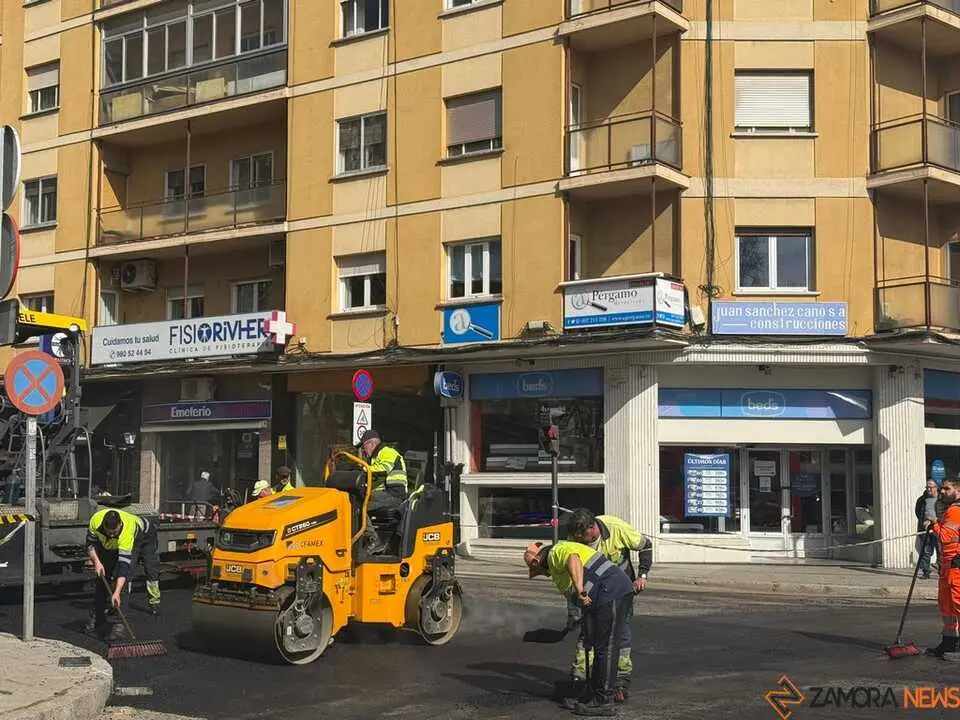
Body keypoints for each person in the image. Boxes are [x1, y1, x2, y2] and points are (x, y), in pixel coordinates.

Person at [525, 540, 635, 717]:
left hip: (611, 591)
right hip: (606, 594)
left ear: (537, 562)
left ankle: (604, 700)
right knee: (598, 645)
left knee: (605, 647)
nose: (542, 575)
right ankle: (594, 692)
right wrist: (582, 617)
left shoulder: (556, 552)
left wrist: (581, 591)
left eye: (538, 572)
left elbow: (573, 559)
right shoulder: (556, 565)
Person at [566, 508, 652, 701]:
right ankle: (580, 677)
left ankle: (620, 679)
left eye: (583, 536)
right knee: (587, 632)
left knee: (620, 633)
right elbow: (571, 578)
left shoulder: (616, 528)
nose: (580, 540)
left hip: (620, 592)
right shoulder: (575, 538)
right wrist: (573, 611)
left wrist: (642, 576)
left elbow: (646, 545)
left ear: (593, 527)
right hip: (592, 594)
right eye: (577, 537)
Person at [85, 508, 160, 634]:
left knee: (131, 575)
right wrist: (97, 562)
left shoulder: (126, 532)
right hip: (111, 545)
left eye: (114, 532)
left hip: (145, 537)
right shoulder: (95, 521)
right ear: (103, 526)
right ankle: (98, 617)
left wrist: (117, 592)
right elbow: (90, 545)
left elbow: (123, 566)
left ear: (120, 525)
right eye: (109, 533)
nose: (112, 535)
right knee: (102, 577)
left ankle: (119, 623)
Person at [924, 478, 960, 661]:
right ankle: (949, 643)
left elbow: (946, 537)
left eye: (947, 488)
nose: (943, 491)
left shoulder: (956, 511)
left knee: (957, 606)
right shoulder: (949, 511)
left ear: (958, 491)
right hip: (947, 567)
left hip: (956, 567)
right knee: (947, 609)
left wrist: (933, 523)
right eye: (942, 488)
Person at [358, 429, 408, 554]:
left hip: (394, 495)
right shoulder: (376, 456)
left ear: (371, 444)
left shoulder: (388, 452)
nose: (364, 451)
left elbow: (381, 471)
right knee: (355, 501)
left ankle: (374, 541)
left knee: (358, 507)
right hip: (385, 493)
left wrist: (362, 469)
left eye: (364, 447)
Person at [915, 479, 940, 579]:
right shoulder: (922, 499)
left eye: (931, 487)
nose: (929, 489)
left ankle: (941, 571)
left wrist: (935, 521)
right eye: (927, 487)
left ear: (936, 488)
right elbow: (918, 512)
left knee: (940, 551)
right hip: (925, 529)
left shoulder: (942, 499)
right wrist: (924, 521)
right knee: (925, 550)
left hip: (939, 528)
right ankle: (926, 572)